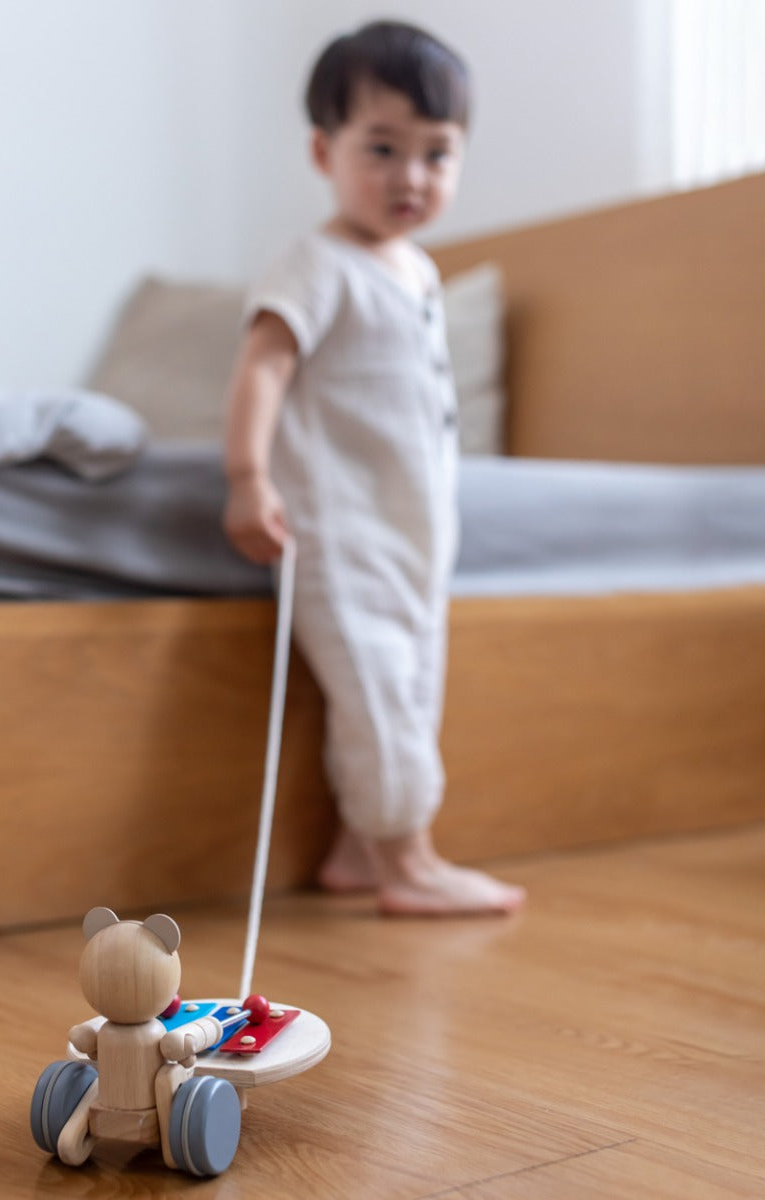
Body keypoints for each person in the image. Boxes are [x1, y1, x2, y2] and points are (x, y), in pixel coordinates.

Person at [222, 20, 525, 917]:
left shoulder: (422, 272)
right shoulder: (317, 266)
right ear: (325, 150)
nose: (411, 177)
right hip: (341, 529)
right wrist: (247, 475)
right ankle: (412, 860)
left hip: (416, 533)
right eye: (383, 149)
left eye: (438, 154)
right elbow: (264, 366)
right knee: (381, 687)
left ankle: (359, 848)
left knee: (409, 685)